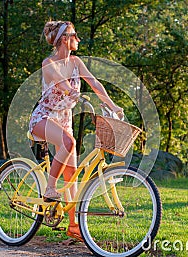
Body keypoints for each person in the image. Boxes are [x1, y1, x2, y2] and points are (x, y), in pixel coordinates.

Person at [29, 21, 123, 241]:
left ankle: (73, 226)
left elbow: (95, 83)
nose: (78, 39)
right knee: (69, 143)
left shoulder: (76, 62)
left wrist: (111, 104)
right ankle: (50, 188)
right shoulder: (49, 63)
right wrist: (71, 90)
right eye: (75, 35)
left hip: (64, 120)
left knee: (72, 176)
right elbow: (60, 83)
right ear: (65, 39)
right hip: (44, 117)